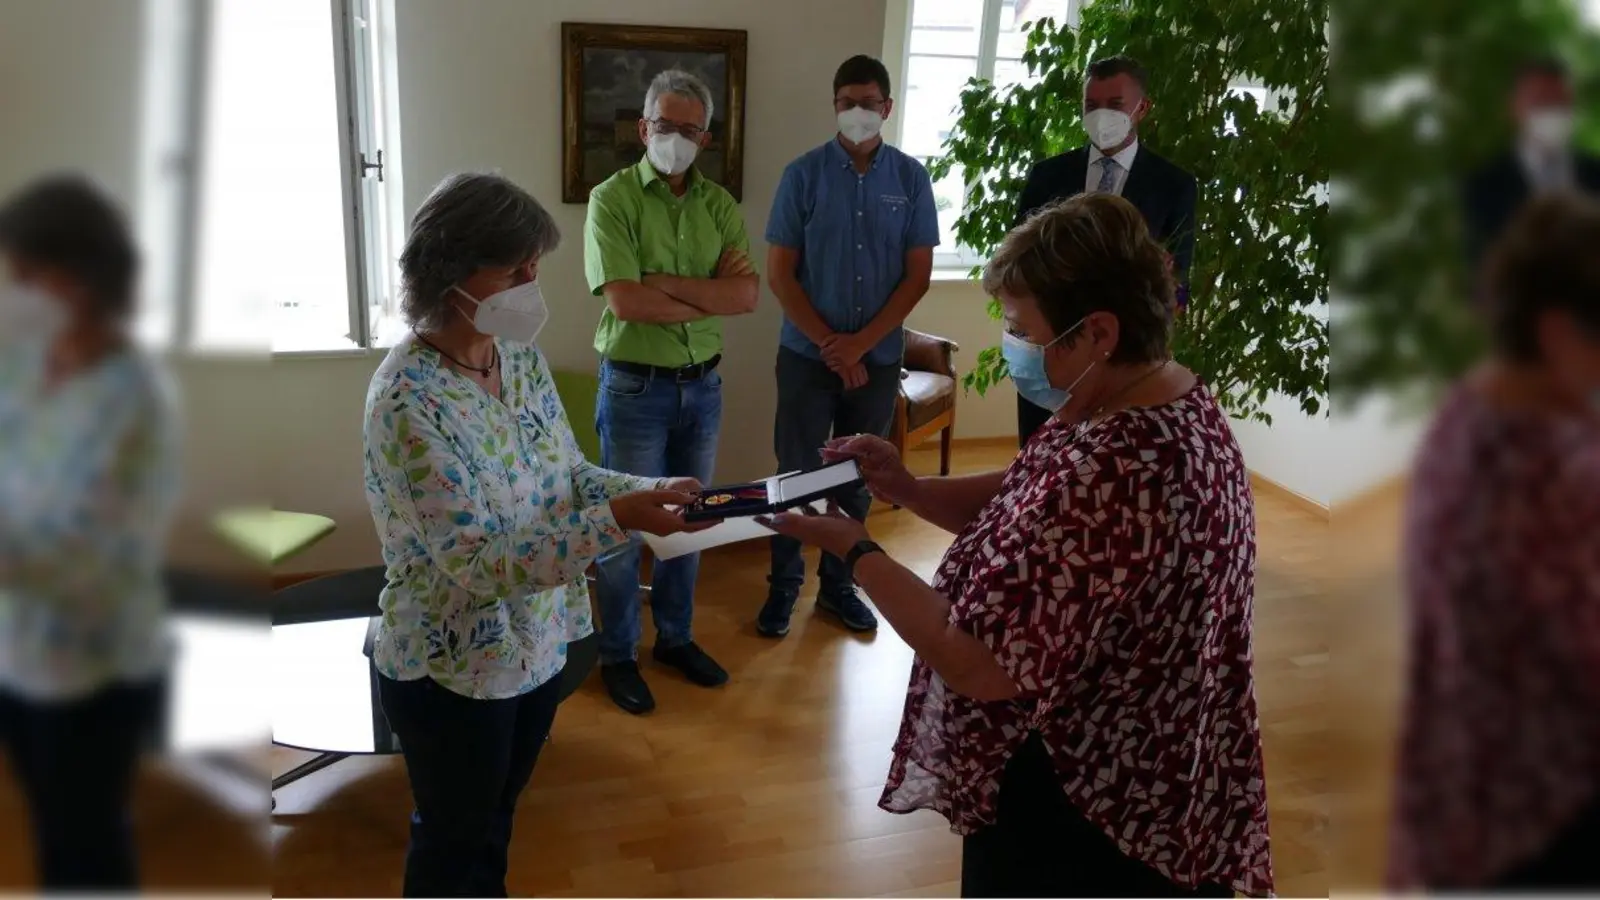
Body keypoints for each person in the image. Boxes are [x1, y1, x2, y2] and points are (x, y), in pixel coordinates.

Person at [761, 193, 1271, 897]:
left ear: (1097, 332)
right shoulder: (1150, 398)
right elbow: (1026, 491)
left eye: (1024, 330)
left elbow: (975, 659)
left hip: (1096, 794)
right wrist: (904, 486)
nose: (1015, 348)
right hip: (1147, 758)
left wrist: (854, 549)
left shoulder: (1122, 467)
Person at [363, 172, 707, 897]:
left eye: (535, 262)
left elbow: (568, 474)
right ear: (451, 270)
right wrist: (617, 520)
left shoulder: (515, 359)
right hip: (452, 667)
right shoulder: (408, 400)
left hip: (536, 643)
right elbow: (478, 566)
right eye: (514, 264)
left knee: (495, 822)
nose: (532, 279)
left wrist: (645, 490)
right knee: (453, 843)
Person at [1389, 190, 1600, 891]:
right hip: (1536, 822)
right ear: (1559, 334)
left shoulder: (1472, 407)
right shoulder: (1552, 469)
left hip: (1461, 794)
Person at [0, 175, 181, 891]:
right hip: (17, 650)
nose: (13, 288)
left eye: (26, 273)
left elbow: (101, 555)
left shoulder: (135, 396)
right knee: (51, 827)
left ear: (81, 275)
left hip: (95, 664)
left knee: (87, 845)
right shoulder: (21, 367)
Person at [584, 68, 759, 714]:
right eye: (664, 126)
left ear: (705, 137)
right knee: (626, 529)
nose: (675, 139)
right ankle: (619, 654)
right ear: (642, 127)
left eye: (689, 129)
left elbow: (746, 296)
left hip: (702, 387)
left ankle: (676, 640)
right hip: (634, 390)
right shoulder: (613, 200)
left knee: (693, 523)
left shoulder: (719, 206)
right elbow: (626, 302)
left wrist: (665, 282)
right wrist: (703, 294)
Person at [757, 54, 940, 638]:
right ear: (834, 106)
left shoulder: (911, 180)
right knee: (796, 475)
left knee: (858, 478)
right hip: (807, 362)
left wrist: (861, 347)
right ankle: (783, 590)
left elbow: (917, 277)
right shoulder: (802, 175)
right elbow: (781, 275)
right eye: (846, 102)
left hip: (879, 362)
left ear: (888, 107)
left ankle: (839, 590)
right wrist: (833, 347)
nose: (857, 112)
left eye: (868, 102)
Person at [1012, 54, 1198, 447]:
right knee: (1034, 466)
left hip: (1124, 363)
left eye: (1114, 105)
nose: (1101, 115)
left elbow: (1178, 280)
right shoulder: (1047, 176)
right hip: (1049, 354)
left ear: (1141, 108)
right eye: (1091, 105)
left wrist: (1163, 287)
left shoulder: (1174, 185)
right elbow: (1019, 265)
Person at [1462, 57, 1600, 280]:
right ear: (1514, 108)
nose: (1553, 111)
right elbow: (1482, 272)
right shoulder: (1484, 186)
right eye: (1541, 101)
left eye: (1561, 101)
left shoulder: (1595, 174)